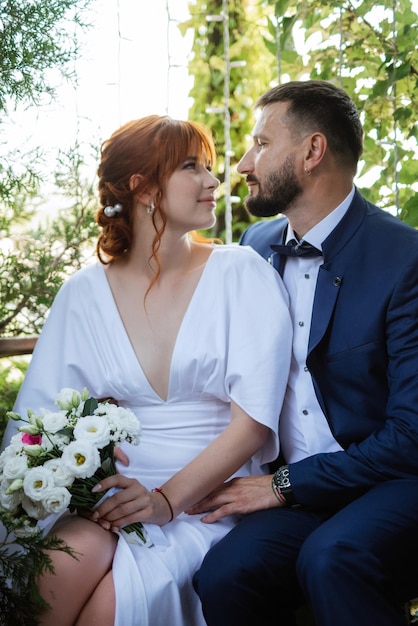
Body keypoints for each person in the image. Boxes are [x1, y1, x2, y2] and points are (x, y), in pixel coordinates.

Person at [1, 115, 292, 625]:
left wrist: (164, 501)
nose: (213, 181)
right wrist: (81, 483)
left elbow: (254, 423)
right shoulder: (83, 293)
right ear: (144, 188)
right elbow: (38, 423)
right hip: (113, 498)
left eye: (210, 167)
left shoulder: (241, 272)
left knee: (114, 606)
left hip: (207, 497)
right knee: (53, 574)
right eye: (190, 167)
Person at [190, 80, 418, 626]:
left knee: (332, 558)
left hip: (394, 483)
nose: (243, 164)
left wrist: (283, 486)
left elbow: (412, 436)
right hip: (296, 490)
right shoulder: (255, 247)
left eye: (261, 144)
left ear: (313, 152)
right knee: (222, 574)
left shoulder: (406, 259)